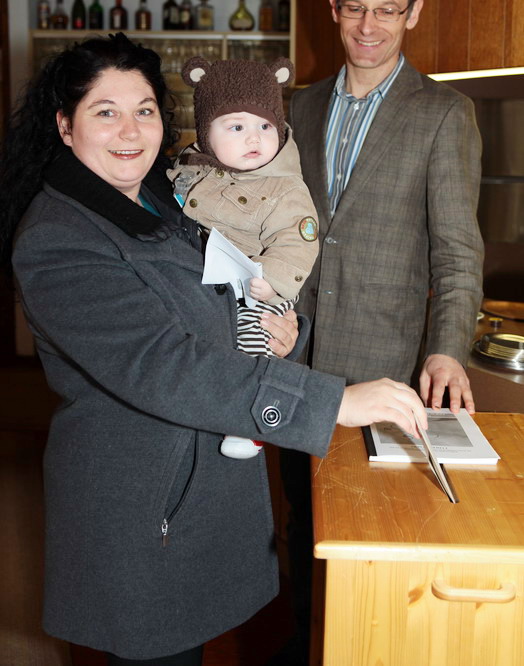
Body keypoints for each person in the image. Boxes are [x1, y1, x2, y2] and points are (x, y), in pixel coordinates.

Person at [0, 33, 427, 666]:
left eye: (145, 110)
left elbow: (227, 298)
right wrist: (331, 402)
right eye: (105, 111)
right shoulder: (59, 238)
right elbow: (164, 365)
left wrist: (284, 330)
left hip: (197, 499)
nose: (130, 131)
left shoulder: (164, 199)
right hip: (144, 511)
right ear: (65, 125)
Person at [272, 0, 484, 665]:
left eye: (387, 10)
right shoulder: (298, 107)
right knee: (303, 523)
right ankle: (307, 643)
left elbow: (456, 250)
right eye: (356, 7)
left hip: (386, 372)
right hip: (298, 365)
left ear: (413, 13)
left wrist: (447, 349)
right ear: (334, 8)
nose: (369, 25)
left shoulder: (444, 113)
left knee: (376, 533)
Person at [167, 56, 319, 459]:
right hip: (210, 287)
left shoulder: (284, 187)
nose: (254, 138)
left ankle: (252, 423)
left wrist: (272, 279)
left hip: (258, 287)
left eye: (265, 127)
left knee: (254, 343)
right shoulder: (191, 167)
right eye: (236, 127)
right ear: (206, 134)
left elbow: (298, 239)